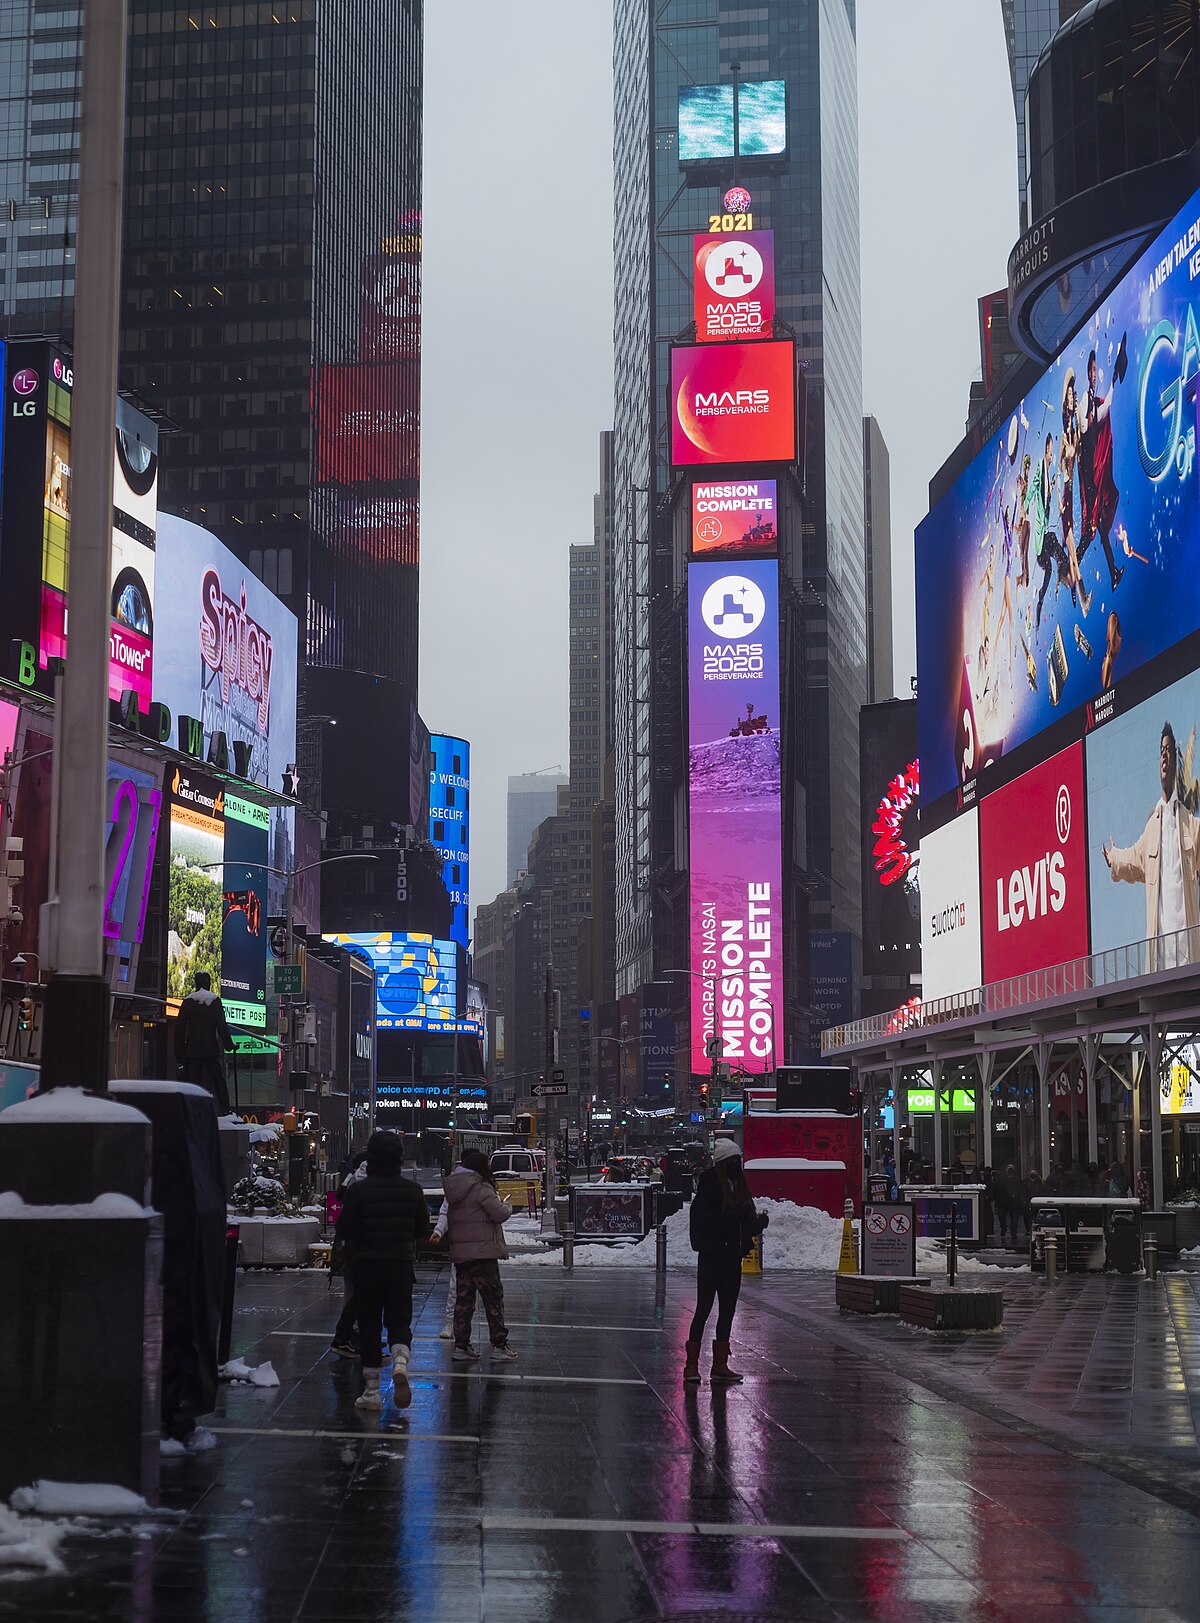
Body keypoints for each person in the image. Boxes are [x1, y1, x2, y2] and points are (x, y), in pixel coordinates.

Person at [335, 1130, 430, 1410]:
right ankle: (400, 1361)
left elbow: (345, 1228)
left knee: (370, 1326)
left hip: (367, 1266)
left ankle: (372, 1391)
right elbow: (421, 1229)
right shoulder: (412, 1191)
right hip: (400, 1265)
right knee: (399, 1320)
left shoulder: (359, 1190)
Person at [1103, 721, 1200, 967]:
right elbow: (1133, 859)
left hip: (1189, 951)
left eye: (1169, 751)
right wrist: (1114, 858)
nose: (1165, 756)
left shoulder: (1191, 825)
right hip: (1160, 956)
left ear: (1177, 765)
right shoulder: (1151, 829)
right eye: (1161, 752)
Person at [684, 1139, 768, 1384]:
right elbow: (707, 1227)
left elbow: (745, 1224)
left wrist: (757, 1223)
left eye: (738, 1161)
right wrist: (735, 1217)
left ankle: (720, 1364)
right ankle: (691, 1364)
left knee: (728, 1311)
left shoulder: (739, 1187)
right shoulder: (709, 1190)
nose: (736, 1165)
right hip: (712, 1259)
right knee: (703, 1310)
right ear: (722, 1163)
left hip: (732, 1259)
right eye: (732, 1161)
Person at [443, 1147, 516, 1361]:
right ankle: (499, 1345)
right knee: (492, 1299)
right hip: (483, 1253)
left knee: (464, 1300)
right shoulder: (481, 1187)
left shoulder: (454, 1188)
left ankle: (461, 1345)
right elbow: (499, 1213)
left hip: (462, 1253)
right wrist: (507, 1204)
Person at [1077, 347, 1123, 593]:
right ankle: (1071, 572)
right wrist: (1088, 418)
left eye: (1097, 370)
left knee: (1101, 528)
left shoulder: (1095, 401)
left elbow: (1105, 410)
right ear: (1088, 372)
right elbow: (1084, 426)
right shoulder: (1085, 399)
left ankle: (1113, 573)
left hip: (1095, 476)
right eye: (1092, 370)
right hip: (1090, 476)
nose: (1095, 374)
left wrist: (1114, 381)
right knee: (1091, 529)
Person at [174, 970, 235, 1113]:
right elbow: (222, 1026)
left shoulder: (188, 1002)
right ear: (208, 983)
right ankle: (225, 1109)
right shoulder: (214, 1001)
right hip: (211, 1048)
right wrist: (228, 1045)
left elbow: (180, 1029)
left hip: (192, 1049)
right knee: (218, 1080)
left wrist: (179, 1052)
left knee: (193, 1083)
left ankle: (192, 1109)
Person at [329, 1152, 369, 1360]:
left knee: (350, 1291)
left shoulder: (350, 1181)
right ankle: (353, 1333)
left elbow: (338, 1197)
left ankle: (353, 1333)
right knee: (359, 1294)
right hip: (362, 1246)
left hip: (346, 1244)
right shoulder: (366, 1185)